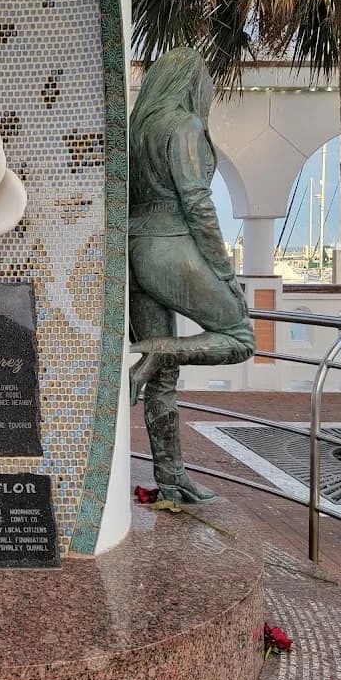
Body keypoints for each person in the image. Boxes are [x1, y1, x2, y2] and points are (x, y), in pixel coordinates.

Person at [129, 47, 254, 504]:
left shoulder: (135, 128)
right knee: (239, 336)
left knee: (162, 380)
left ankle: (172, 477)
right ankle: (161, 351)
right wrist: (223, 270)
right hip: (171, 248)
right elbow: (198, 203)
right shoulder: (185, 126)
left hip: (134, 251)